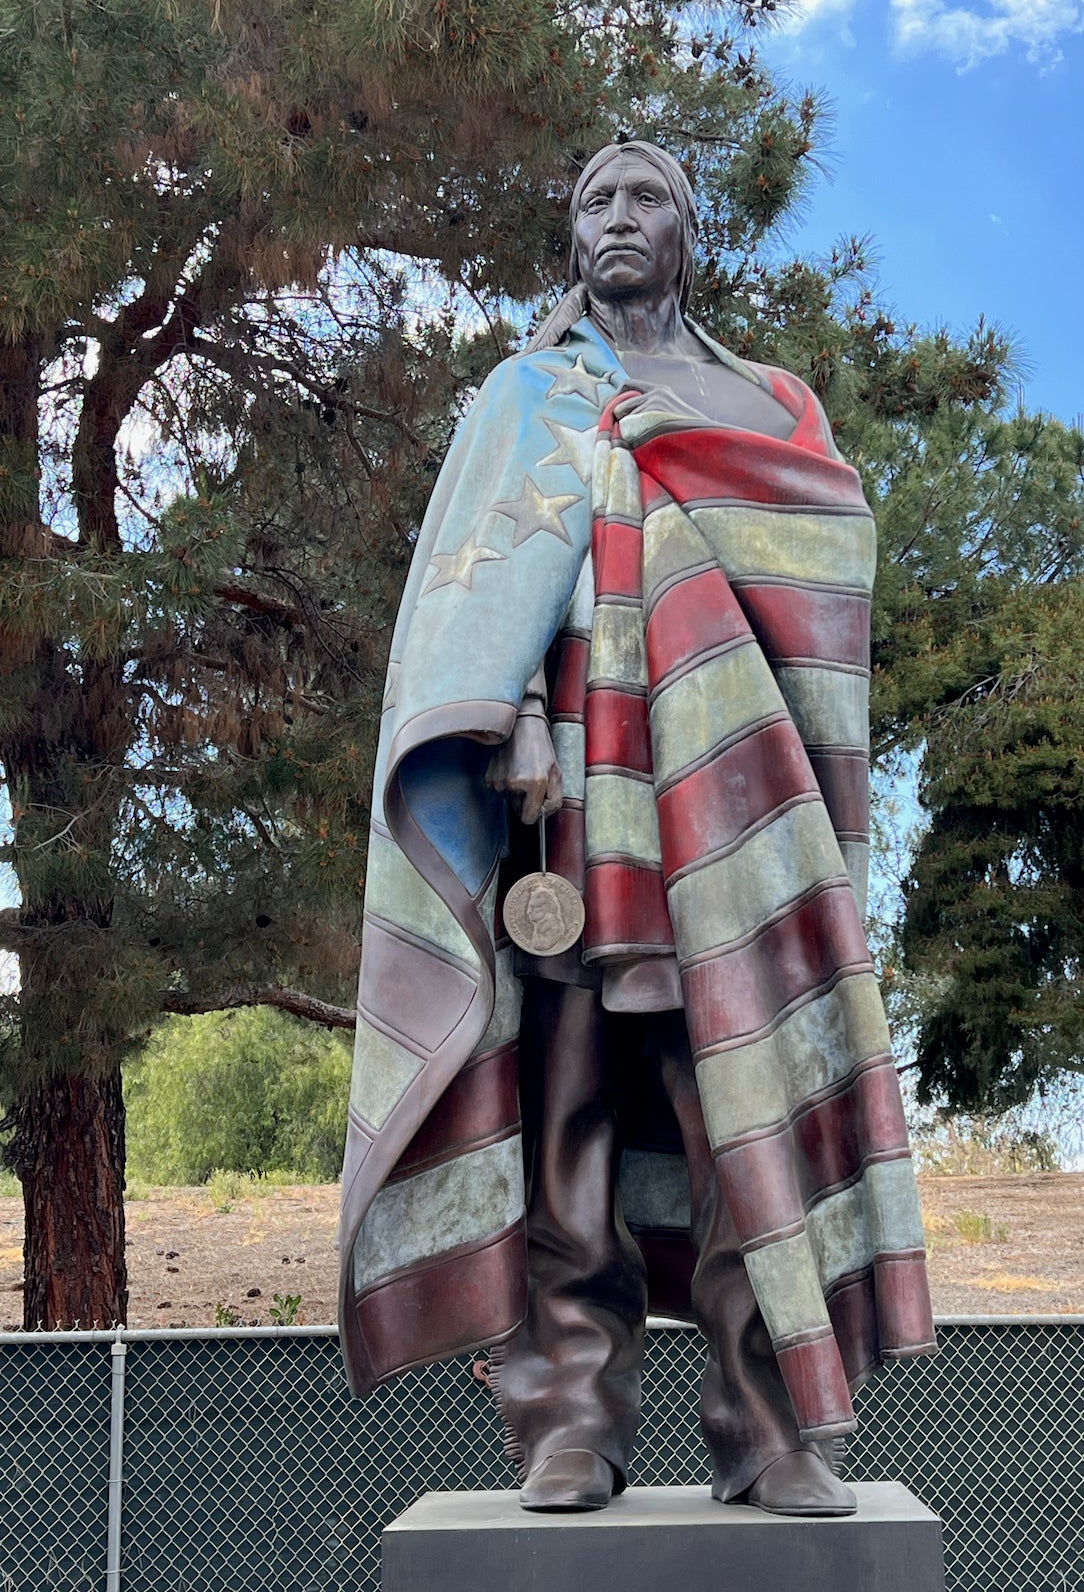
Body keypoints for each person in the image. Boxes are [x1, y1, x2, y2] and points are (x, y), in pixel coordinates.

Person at [338, 141, 936, 1518]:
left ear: (687, 233)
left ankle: (769, 1425)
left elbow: (829, 563)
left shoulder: (769, 403)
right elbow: (472, 594)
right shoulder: (526, 395)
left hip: (732, 800)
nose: (617, 215)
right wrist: (513, 716)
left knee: (741, 1105)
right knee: (568, 1105)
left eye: (645, 196)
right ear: (573, 237)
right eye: (594, 200)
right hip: (563, 801)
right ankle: (571, 1418)